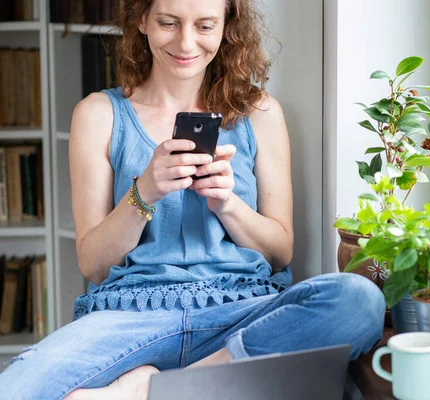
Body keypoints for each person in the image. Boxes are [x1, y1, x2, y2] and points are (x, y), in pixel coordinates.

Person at [0, 0, 385, 398]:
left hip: (239, 313)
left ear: (225, 27)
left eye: (205, 26)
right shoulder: (98, 114)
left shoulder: (260, 113)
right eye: (168, 22)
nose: (186, 43)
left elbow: (280, 252)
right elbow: (94, 264)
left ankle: (156, 388)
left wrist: (228, 205)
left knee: (359, 301)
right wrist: (144, 191)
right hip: (128, 318)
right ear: (143, 20)